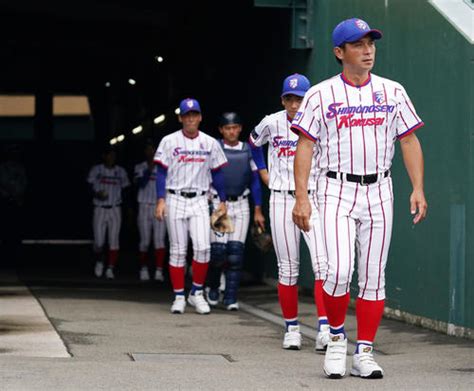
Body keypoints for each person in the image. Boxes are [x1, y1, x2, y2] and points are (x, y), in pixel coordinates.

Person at [291, 18, 427, 379]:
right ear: (340, 52)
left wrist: (417, 187)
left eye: (370, 43)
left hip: (380, 189)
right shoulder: (320, 94)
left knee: (372, 277)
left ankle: (363, 351)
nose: (368, 50)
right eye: (358, 44)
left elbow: (409, 140)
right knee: (336, 272)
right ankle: (336, 338)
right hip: (335, 188)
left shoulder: (392, 91)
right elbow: (304, 145)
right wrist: (301, 197)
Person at [249, 74, 329, 351]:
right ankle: (292, 328)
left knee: (324, 265)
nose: (295, 104)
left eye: (300, 98)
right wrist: (262, 171)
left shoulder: (320, 120)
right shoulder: (272, 122)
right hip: (282, 198)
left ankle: (325, 328)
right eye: (290, 98)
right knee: (288, 268)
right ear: (283, 99)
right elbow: (252, 142)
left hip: (313, 198)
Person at [154, 98, 228, 315]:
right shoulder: (169, 141)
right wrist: (160, 199)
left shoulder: (210, 142)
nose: (190, 119)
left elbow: (217, 172)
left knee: (203, 248)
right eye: (186, 115)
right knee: (177, 250)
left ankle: (196, 293)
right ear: (180, 118)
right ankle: (178, 296)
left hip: (199, 199)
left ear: (200, 117)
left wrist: (222, 201)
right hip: (175, 197)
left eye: (194, 114)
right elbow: (161, 172)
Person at [206, 112, 265, 311]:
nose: (232, 131)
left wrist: (258, 209)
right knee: (218, 253)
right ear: (221, 130)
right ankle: (213, 287)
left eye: (235, 127)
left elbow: (256, 181)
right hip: (220, 204)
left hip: (241, 203)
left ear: (240, 128)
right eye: (227, 128)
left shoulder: (248, 150)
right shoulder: (215, 148)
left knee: (235, 254)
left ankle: (230, 297)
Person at [87, 147, 130, 280]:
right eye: (109, 155)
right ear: (104, 156)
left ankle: (110, 268)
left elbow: (126, 189)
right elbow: (88, 186)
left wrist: (128, 208)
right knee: (99, 242)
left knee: (114, 241)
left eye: (113, 156)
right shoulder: (96, 170)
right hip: (99, 207)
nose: (111, 158)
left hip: (115, 207)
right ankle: (100, 262)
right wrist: (96, 193)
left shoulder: (120, 171)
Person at [134, 141, 167, 282]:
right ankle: (144, 268)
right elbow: (140, 184)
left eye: (153, 150)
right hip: (144, 206)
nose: (151, 153)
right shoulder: (139, 167)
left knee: (159, 241)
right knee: (145, 241)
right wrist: (150, 168)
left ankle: (159, 271)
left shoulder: (165, 167)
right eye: (149, 150)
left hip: (160, 206)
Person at [0, 144, 27, 266]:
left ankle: (15, 255)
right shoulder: (3, 168)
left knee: (15, 229)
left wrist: (17, 195)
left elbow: (23, 183)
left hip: (15, 200)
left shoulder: (19, 168)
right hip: (5, 200)